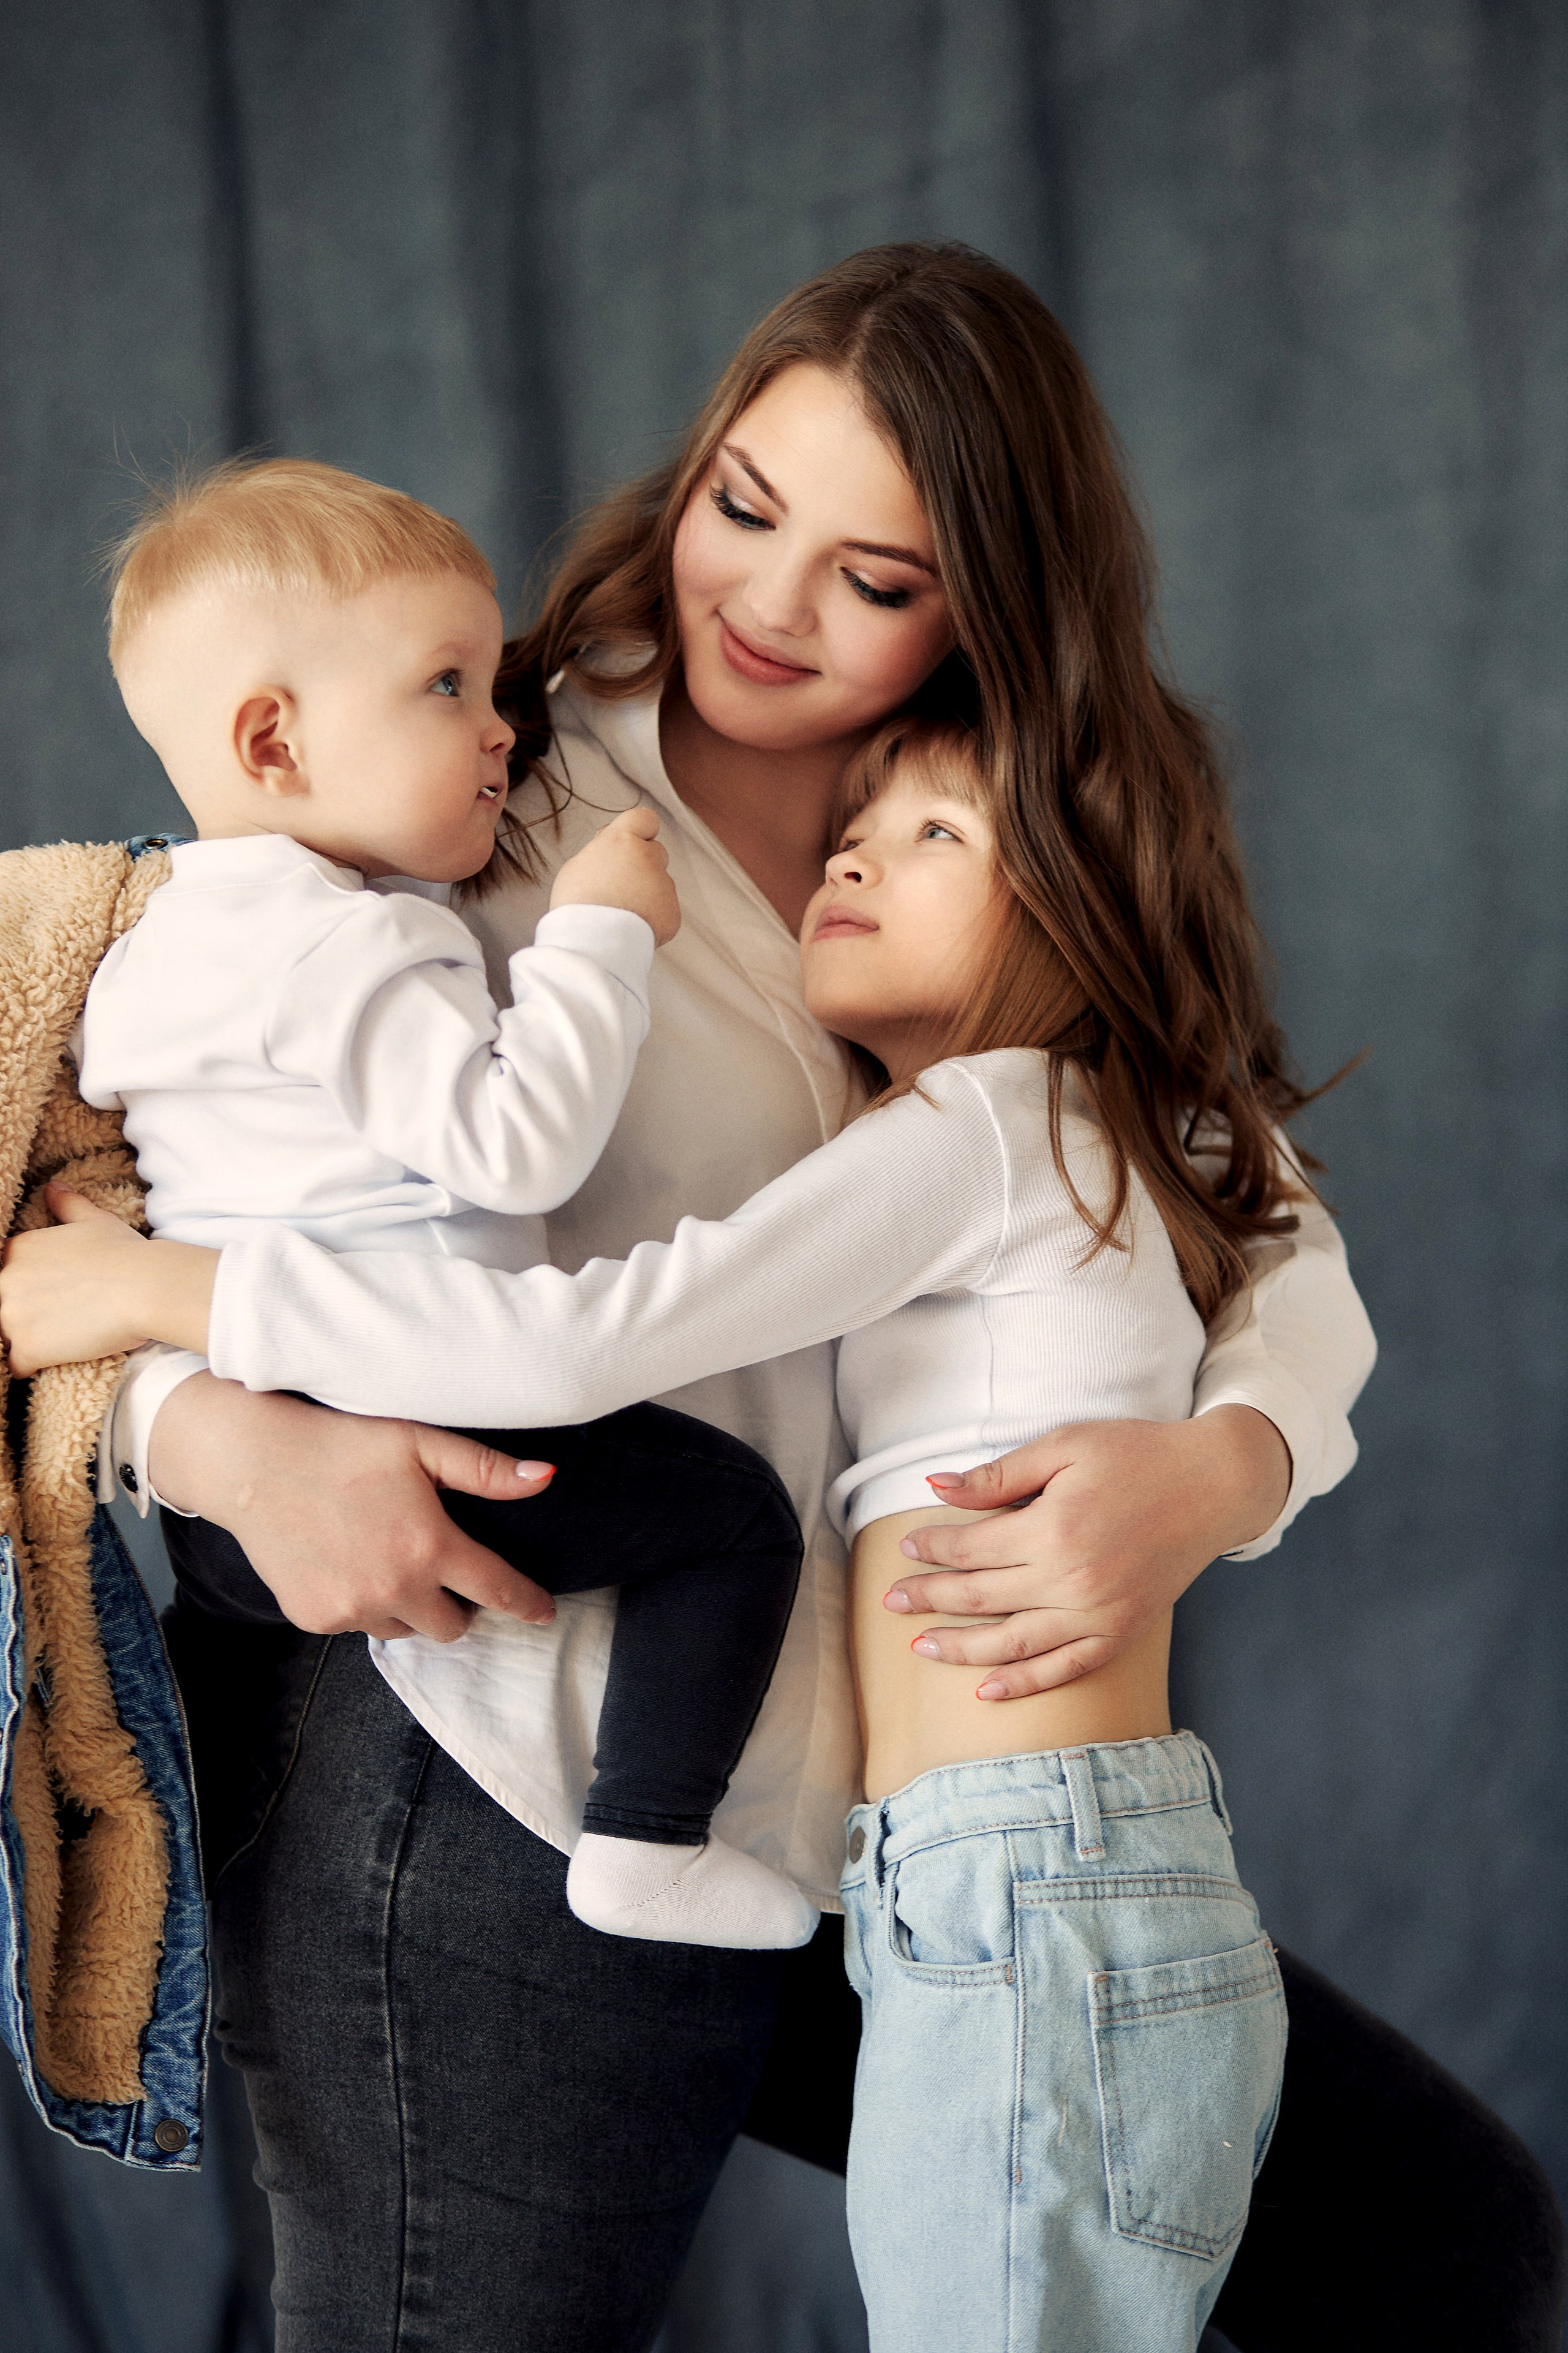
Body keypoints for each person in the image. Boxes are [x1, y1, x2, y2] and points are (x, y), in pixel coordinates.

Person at [4, 244, 1556, 2352]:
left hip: (867, 1811)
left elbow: (1244, 1206)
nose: (768, 603)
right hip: (489, 1757)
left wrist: (1220, 1462)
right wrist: (219, 1440)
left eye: (876, 574)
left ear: (989, 606)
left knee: (1433, 2223)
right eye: (747, 505)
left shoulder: (989, 825)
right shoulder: (472, 777)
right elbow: (105, 1162)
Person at [23, 711, 1298, 2351]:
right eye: (866, 822)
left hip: (1027, 1890)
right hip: (1031, 1871)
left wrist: (159, 1292)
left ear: (1089, 916)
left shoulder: (986, 1126)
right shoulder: (1072, 1134)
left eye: (938, 839)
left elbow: (581, 1339)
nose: (856, 851)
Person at [71, 455, 815, 1951]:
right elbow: (513, 1143)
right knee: (733, 1523)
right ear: (273, 739)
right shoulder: (347, 942)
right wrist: (599, 938)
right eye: (447, 687)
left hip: (250, 1465)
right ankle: (645, 1841)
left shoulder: (148, 953)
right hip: (427, 1407)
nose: (499, 729)